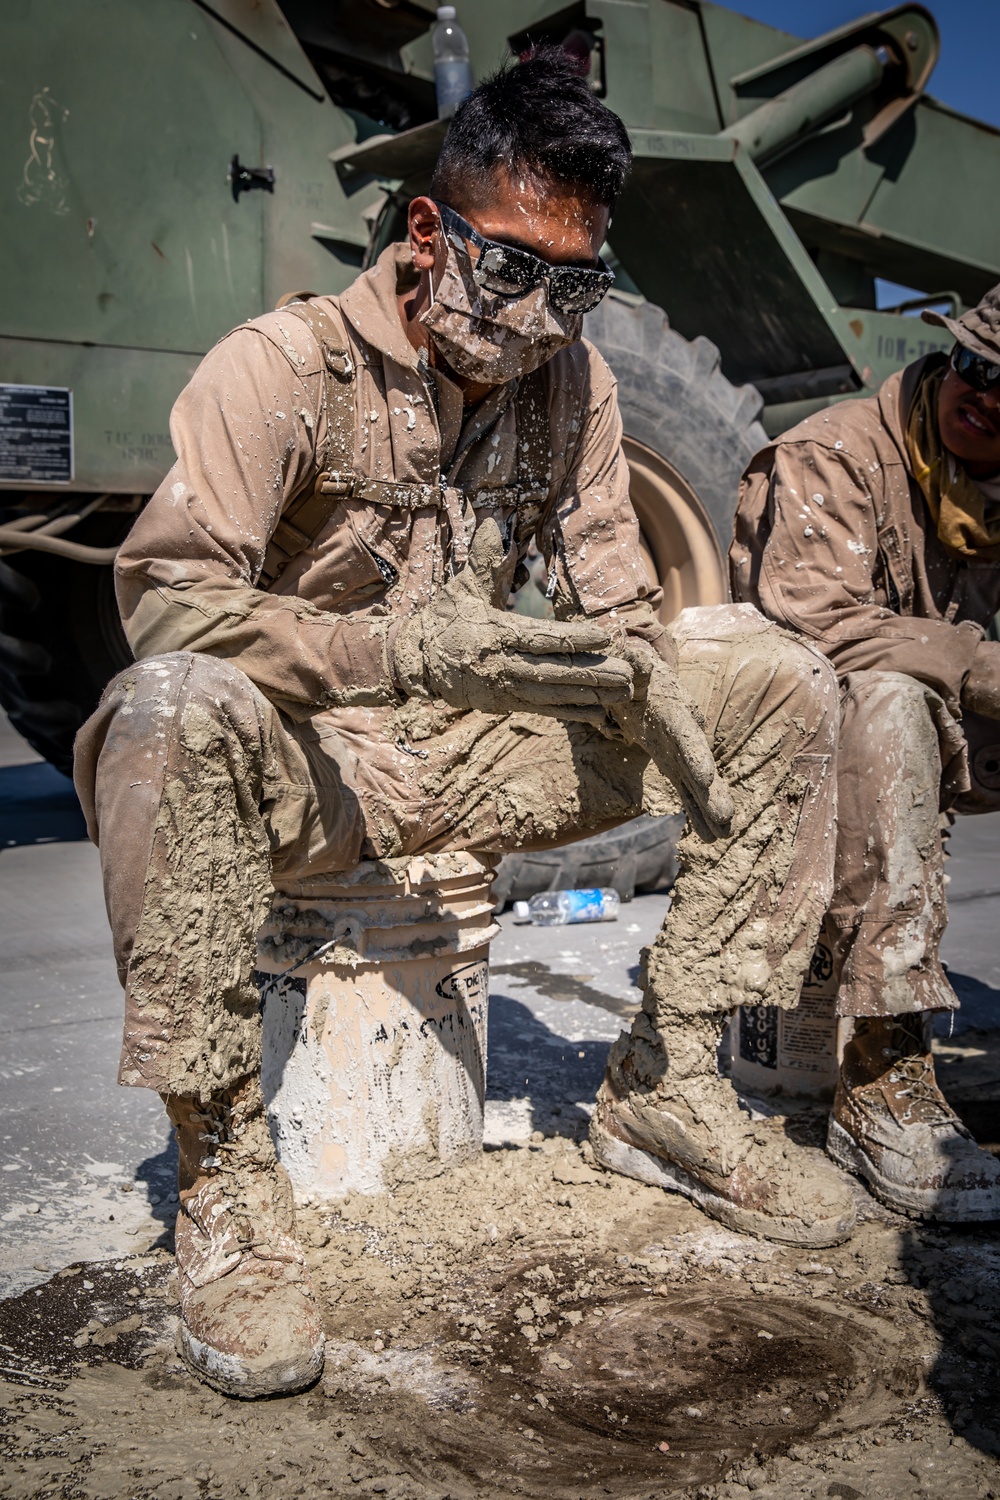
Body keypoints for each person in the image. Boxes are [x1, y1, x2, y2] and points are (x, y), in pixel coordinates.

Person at [75, 51, 850, 1401]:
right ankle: (221, 1177)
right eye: (511, 272)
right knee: (167, 712)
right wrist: (385, 647)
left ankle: (664, 1087)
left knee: (771, 674)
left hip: (479, 760)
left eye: (579, 284)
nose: (542, 317)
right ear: (429, 235)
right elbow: (166, 602)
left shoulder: (574, 386)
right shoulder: (288, 367)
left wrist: (644, 672)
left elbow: (619, 595)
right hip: (317, 766)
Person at [732, 286, 1000, 1224]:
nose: (989, 397)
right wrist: (976, 665)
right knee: (892, 698)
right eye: (979, 368)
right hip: (808, 745)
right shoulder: (836, 454)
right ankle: (882, 1070)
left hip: (948, 726)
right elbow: (822, 629)